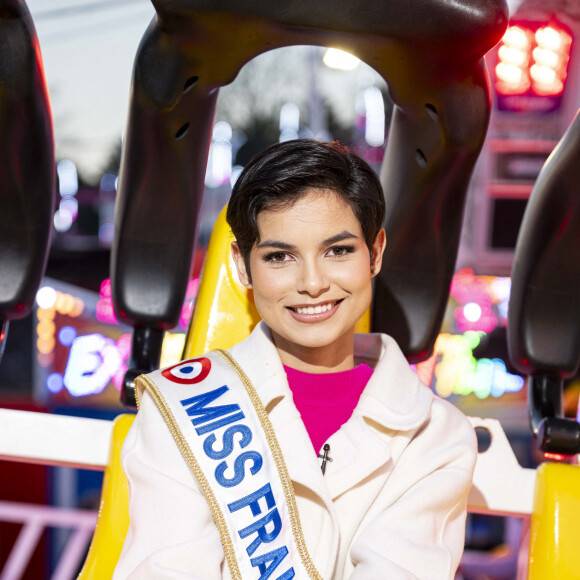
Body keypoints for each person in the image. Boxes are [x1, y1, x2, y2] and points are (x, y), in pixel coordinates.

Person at [113, 139, 477, 579]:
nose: (312, 283)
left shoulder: (434, 436)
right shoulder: (177, 406)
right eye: (280, 256)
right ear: (243, 266)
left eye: (338, 250)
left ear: (375, 252)